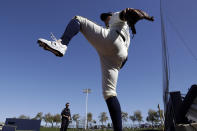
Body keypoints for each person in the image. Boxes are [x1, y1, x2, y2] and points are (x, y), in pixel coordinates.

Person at [37, 8, 154, 131]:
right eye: (104, 19)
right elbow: (132, 16)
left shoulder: (114, 18)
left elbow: (126, 13)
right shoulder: (125, 30)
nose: (105, 20)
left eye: (105, 17)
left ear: (110, 15)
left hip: (113, 40)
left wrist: (138, 15)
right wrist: (145, 17)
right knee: (109, 93)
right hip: (119, 57)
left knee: (78, 19)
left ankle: (62, 44)